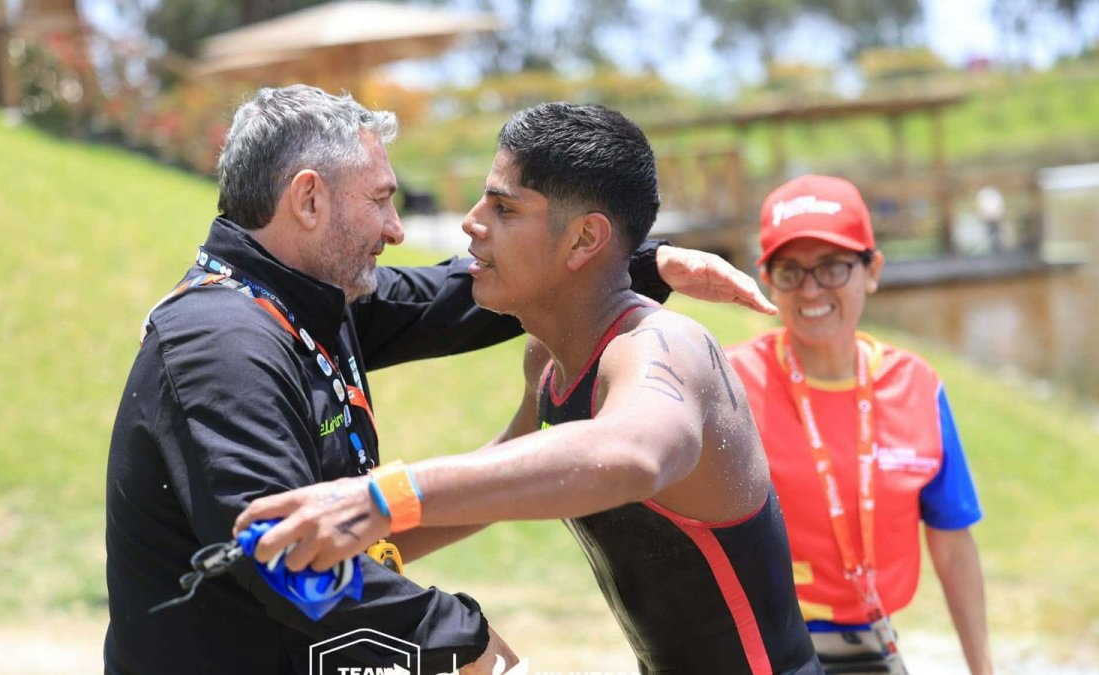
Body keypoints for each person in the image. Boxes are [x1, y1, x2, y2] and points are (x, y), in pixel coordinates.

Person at [105, 85, 777, 675]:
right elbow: (281, 555)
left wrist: (635, 262)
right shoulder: (225, 339)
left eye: (503, 209)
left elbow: (459, 297)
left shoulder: (304, 299)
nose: (398, 229)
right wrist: (454, 633)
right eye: (379, 201)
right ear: (308, 199)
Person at [725, 175, 992, 674]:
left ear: (872, 271)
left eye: (832, 267)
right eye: (790, 271)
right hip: (763, 647)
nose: (810, 290)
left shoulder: (916, 384)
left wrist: (983, 669)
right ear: (766, 280)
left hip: (872, 642)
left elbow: (953, 542)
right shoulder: (728, 381)